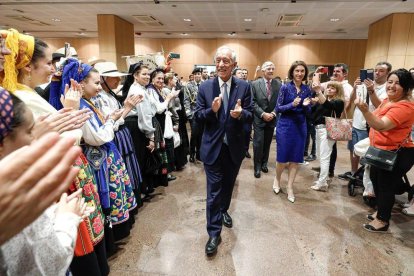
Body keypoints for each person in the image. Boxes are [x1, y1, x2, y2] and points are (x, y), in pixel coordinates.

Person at [0, 89, 91, 275]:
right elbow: (49, 262)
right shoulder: (12, 196)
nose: (36, 138)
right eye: (30, 131)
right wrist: (66, 217)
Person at [195, 46, 253, 255]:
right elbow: (197, 116)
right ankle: (213, 233)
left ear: (234, 65)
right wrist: (213, 111)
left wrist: (241, 113)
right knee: (213, 192)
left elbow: (250, 113)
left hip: (234, 148)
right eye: (218, 60)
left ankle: (223, 210)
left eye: (226, 61)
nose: (221, 64)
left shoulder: (244, 86)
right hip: (212, 148)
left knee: (228, 186)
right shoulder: (205, 87)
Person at [354, 68, 414, 233]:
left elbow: (381, 125)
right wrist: (372, 91)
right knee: (376, 179)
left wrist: (365, 111)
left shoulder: (405, 106)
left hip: (397, 153)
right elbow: (380, 105)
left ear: (407, 88)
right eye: (390, 81)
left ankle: (382, 220)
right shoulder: (390, 100)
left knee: (386, 186)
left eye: (398, 83)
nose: (392, 86)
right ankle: (381, 211)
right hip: (381, 150)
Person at [273, 60, 311, 203]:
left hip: (300, 126)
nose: (299, 73)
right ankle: (277, 180)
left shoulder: (307, 89)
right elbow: (278, 108)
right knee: (282, 158)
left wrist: (307, 106)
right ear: (292, 72)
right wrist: (292, 104)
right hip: (285, 125)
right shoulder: (285, 87)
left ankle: (290, 187)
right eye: (297, 71)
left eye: (302, 71)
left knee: (295, 159)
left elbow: (308, 112)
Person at [310, 81, 345, 191]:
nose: (329, 89)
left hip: (328, 130)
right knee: (321, 156)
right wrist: (310, 103)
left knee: (325, 157)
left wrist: (318, 92)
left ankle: (322, 183)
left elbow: (328, 105)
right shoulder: (323, 100)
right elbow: (314, 112)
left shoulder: (339, 102)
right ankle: (323, 180)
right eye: (328, 87)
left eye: (333, 88)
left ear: (338, 91)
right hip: (319, 130)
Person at [251, 61, 281, 178]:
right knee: (258, 144)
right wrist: (263, 114)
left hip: (272, 119)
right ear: (263, 70)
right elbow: (252, 102)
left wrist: (273, 113)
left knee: (267, 143)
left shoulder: (278, 84)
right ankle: (257, 167)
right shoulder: (255, 84)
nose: (271, 71)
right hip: (259, 119)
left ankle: (264, 163)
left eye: (273, 68)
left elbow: (280, 102)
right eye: (268, 68)